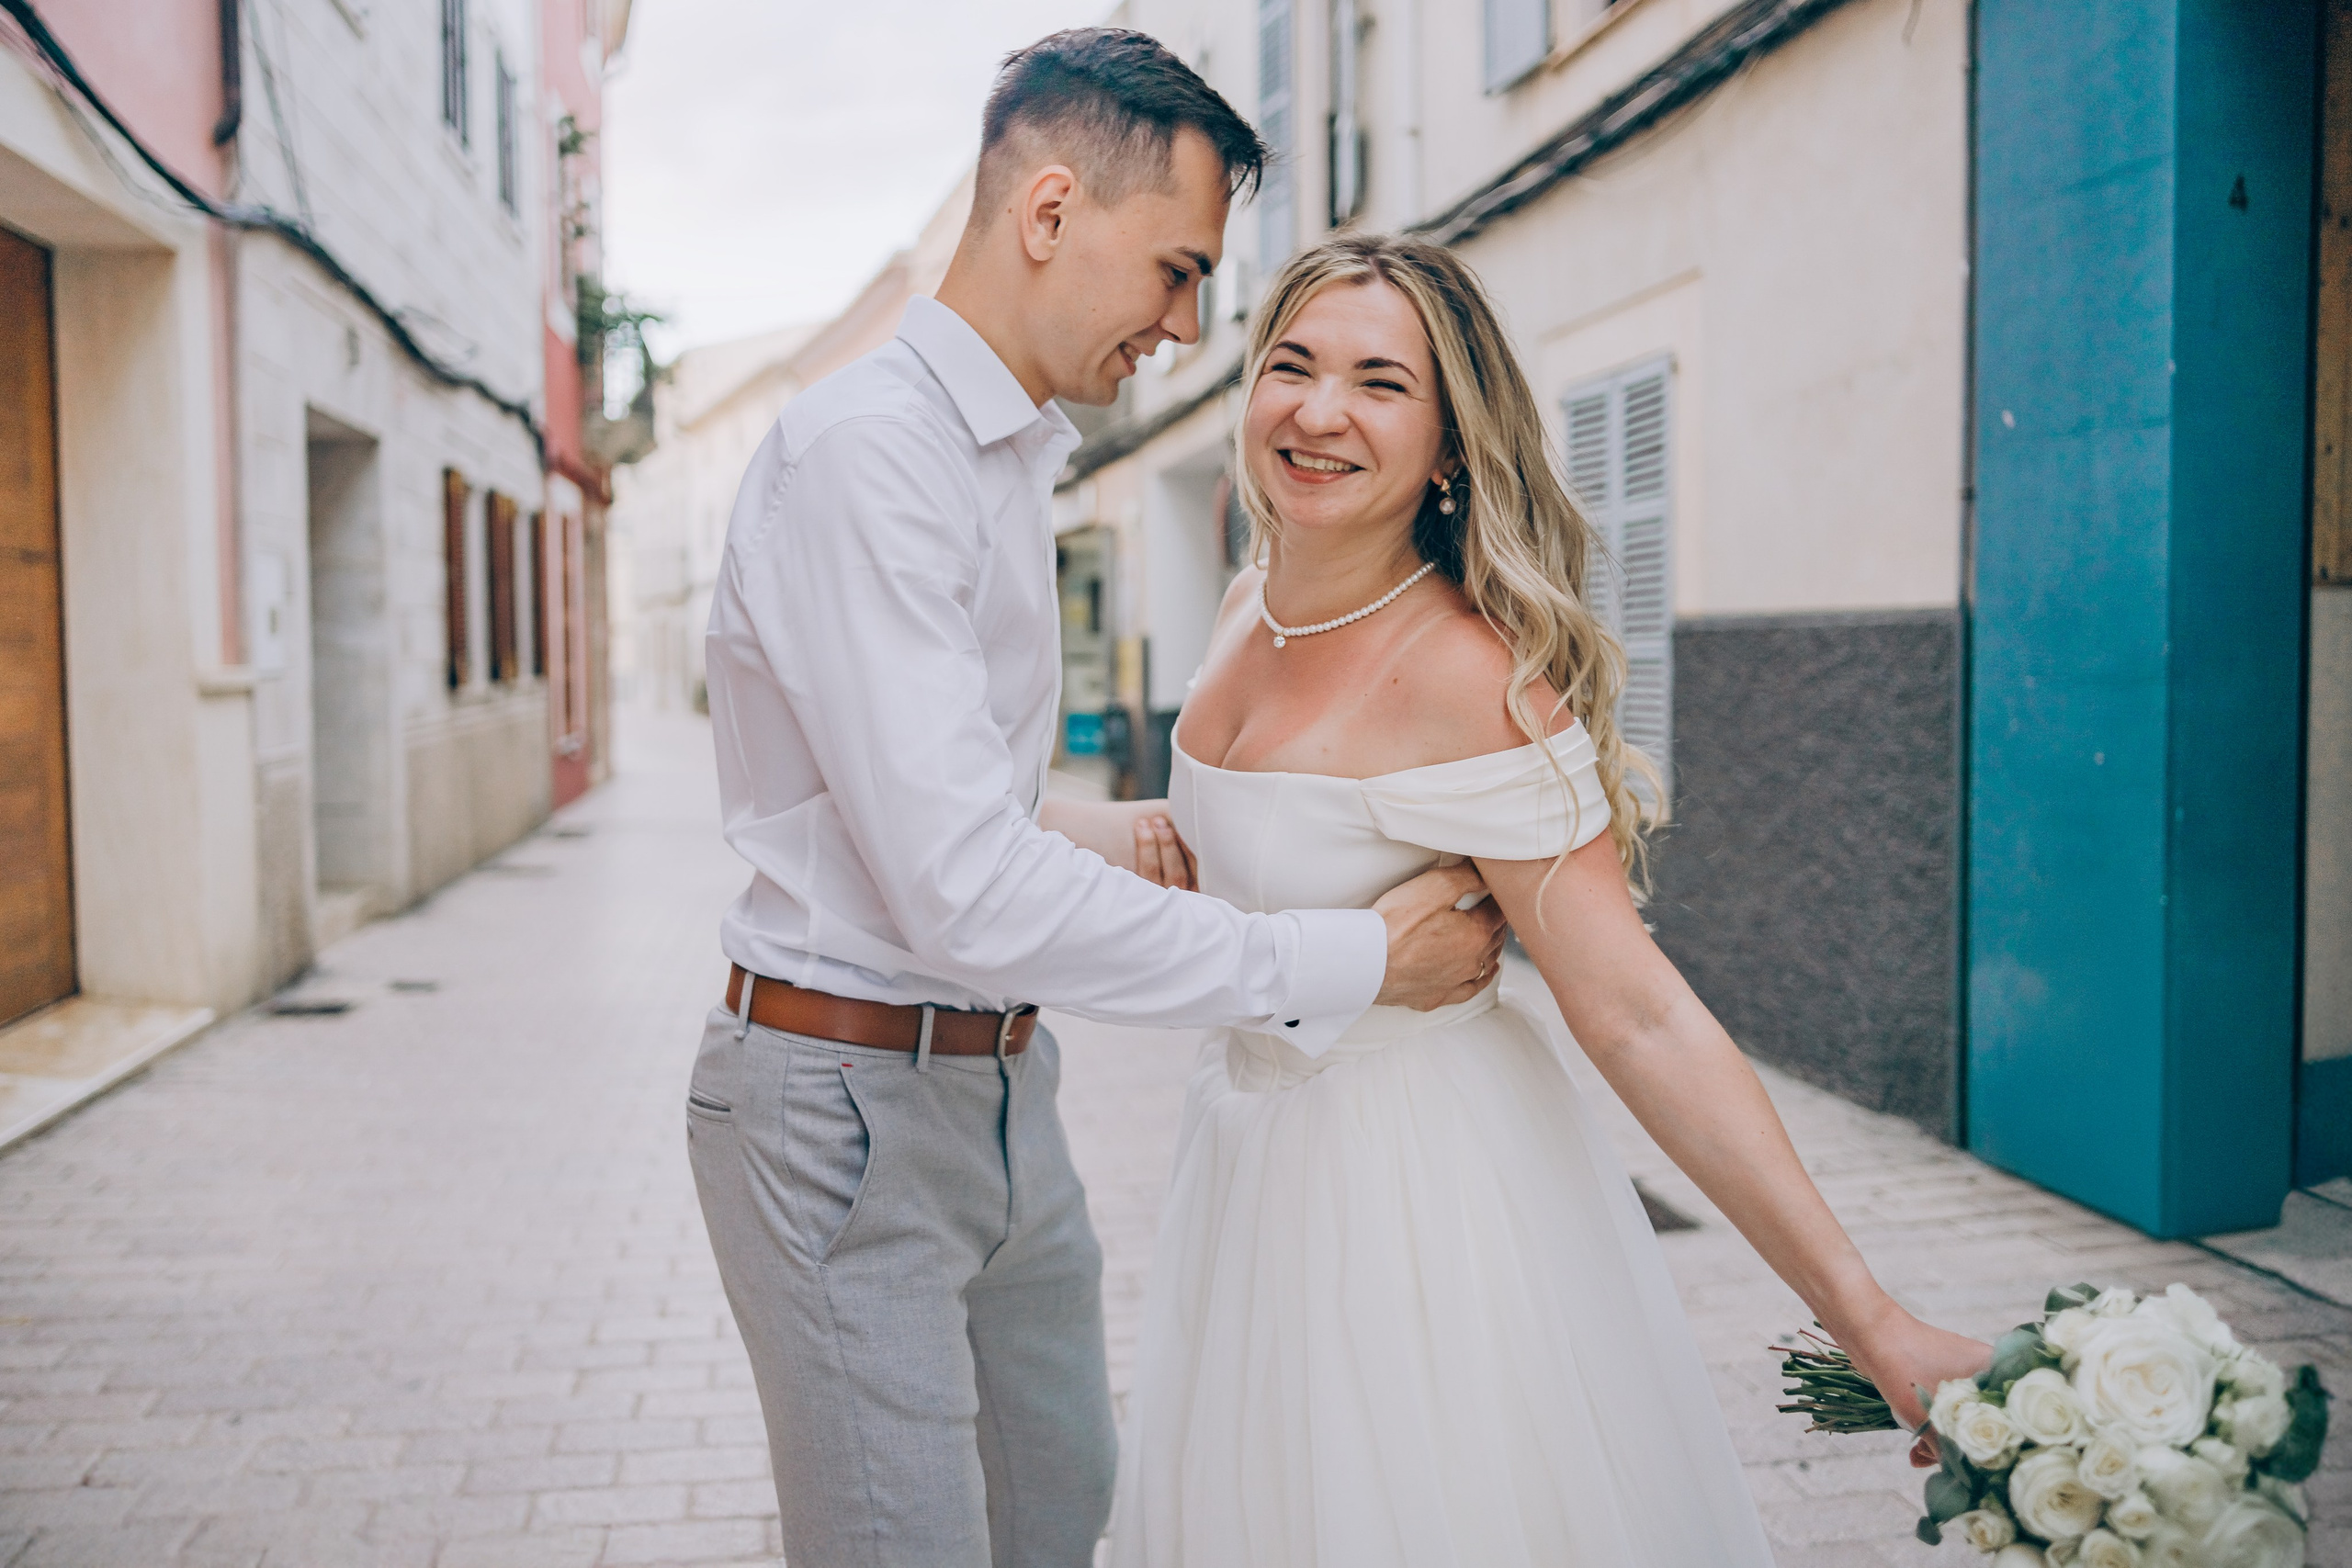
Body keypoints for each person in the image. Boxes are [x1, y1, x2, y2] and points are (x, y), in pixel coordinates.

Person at [685, 32, 1507, 1568]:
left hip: (996, 1086)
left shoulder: (1000, 456)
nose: (1191, 328)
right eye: (1180, 270)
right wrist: (1353, 965)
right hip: (845, 1103)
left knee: (1064, 1526)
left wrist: (1109, 837)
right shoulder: (875, 456)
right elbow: (960, 890)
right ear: (1051, 211)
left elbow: (925, 807)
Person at [1104, 232, 1994, 1566]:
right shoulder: (1243, 604)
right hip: (1242, 1160)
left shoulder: (1474, 678)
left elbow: (1634, 1012)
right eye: (1290, 365)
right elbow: (1204, 852)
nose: (1319, 411)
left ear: (1452, 447)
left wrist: (1868, 1316)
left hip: (1411, 1193)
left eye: (1380, 383)